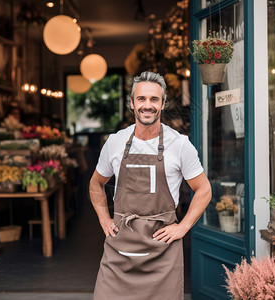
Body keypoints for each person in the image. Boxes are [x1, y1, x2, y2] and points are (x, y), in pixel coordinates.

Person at [89, 71, 212, 300]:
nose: (148, 105)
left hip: (161, 252)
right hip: (119, 252)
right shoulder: (115, 142)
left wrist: (183, 227)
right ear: (132, 104)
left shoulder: (180, 144)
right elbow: (96, 183)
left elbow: (204, 189)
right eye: (141, 99)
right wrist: (104, 219)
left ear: (163, 104)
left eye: (154, 99)